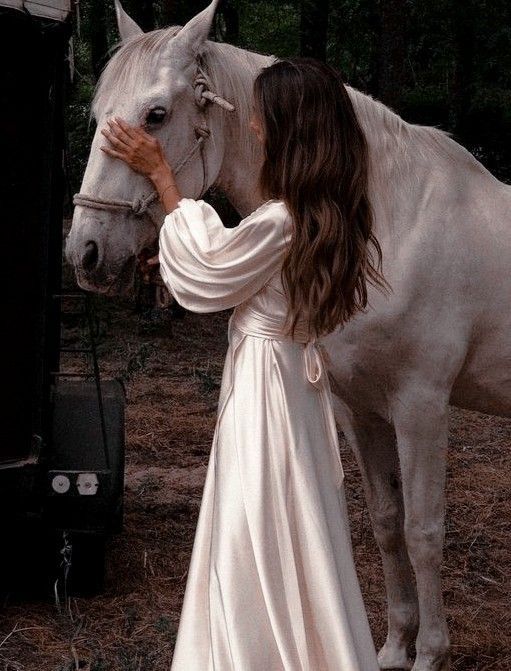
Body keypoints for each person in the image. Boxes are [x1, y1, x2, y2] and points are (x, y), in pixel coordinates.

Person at [101, 56, 390, 671]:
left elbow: (209, 268)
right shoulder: (324, 212)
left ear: (290, 129)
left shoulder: (282, 220)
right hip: (292, 383)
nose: (252, 125)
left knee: (255, 516)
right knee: (294, 518)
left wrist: (162, 177)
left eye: (261, 116)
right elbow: (233, 268)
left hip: (270, 389)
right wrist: (192, 251)